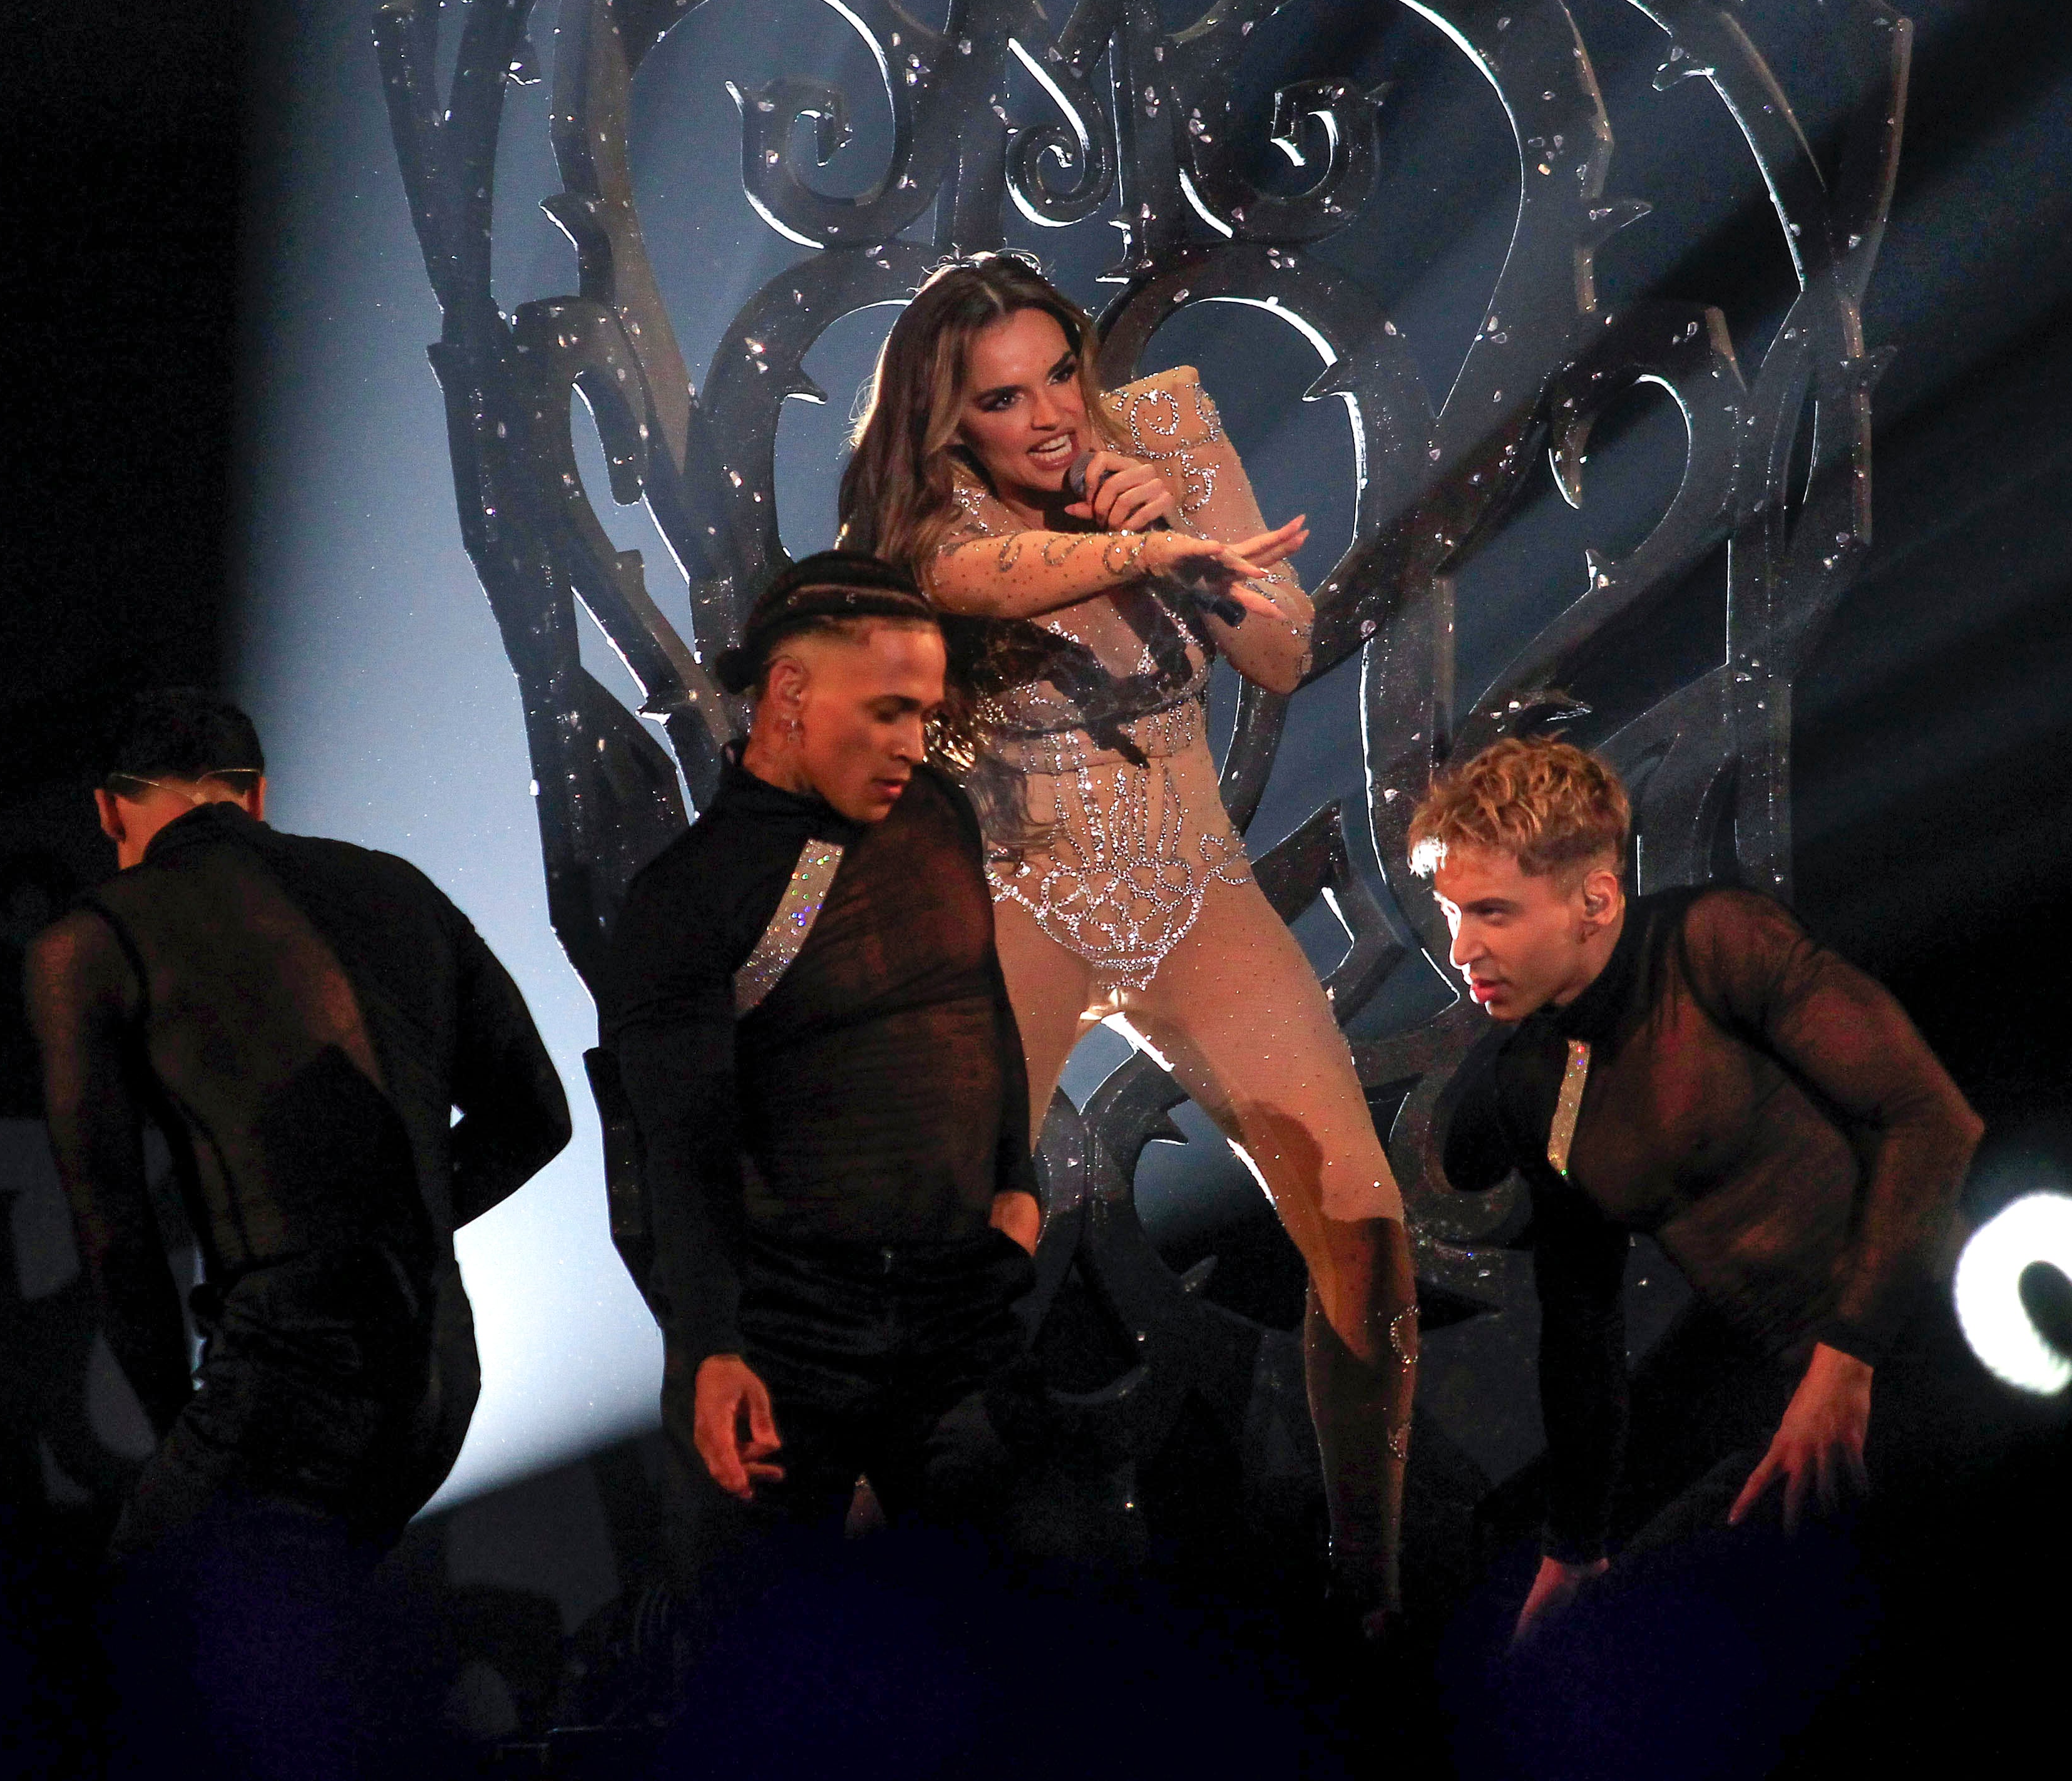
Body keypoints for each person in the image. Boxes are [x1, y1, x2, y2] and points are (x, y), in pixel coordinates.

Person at [834, 253, 1415, 1628]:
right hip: (1018, 898)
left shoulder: (1158, 431)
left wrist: (1195, 557)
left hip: (1192, 892)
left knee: (1367, 1230)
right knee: (942, 1258)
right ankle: (831, 1586)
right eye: (999, 399)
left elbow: (1281, 653)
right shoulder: (925, 520)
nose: (1044, 416)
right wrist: (1137, 550)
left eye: (1057, 377)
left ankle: (1373, 1592)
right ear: (946, 421)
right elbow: (977, 580)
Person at [1412, 734, 1982, 1643]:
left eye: (1492, 912)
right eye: (1449, 915)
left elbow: (1930, 1117)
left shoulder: (1716, 942)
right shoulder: (1532, 1081)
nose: (1462, 948)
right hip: (1813, 1403)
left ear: (1595, 898)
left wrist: (1849, 1356)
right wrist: (1575, 1547)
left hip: (1948, 1337)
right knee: (1597, 1642)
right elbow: (1582, 1321)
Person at [24, 689, 571, 1561]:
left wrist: (188, 1435)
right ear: (259, 793)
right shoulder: (403, 890)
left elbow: (116, 1240)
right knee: (304, 1655)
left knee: (135, 1656)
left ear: (107, 811)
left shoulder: (88, 946)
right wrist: (396, 1223)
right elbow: (538, 1116)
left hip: (287, 1383)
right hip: (441, 1376)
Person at [602, 552, 1046, 1577]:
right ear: (791, 691)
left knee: (1023, 1647)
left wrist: (1016, 1188)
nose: (910, 744)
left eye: (924, 716)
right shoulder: (687, 899)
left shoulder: (939, 812)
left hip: (959, 1309)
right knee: (769, 1668)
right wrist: (711, 1344)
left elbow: (977, 1000)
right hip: (788, 1336)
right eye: (887, 710)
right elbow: (683, 1146)